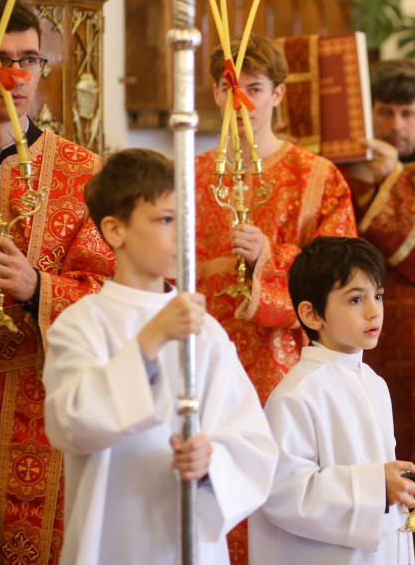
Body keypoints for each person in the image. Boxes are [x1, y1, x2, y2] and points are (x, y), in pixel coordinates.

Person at [0, 0, 114, 562]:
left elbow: (119, 298)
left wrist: (40, 290)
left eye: (28, 59)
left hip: (49, 411)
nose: (14, 76)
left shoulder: (87, 175)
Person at [43, 149, 277, 565]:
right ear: (115, 230)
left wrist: (211, 462)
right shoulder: (82, 324)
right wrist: (151, 339)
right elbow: (71, 423)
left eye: (186, 218)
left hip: (188, 539)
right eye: (166, 219)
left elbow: (251, 440)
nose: (183, 233)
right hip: (112, 538)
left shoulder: (205, 330)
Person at [195, 34, 356, 562]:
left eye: (255, 89)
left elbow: (343, 286)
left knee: (281, 507)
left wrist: (273, 255)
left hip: (287, 372)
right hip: (208, 370)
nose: (240, 101)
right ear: (215, 93)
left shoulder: (318, 177)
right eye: (229, 88)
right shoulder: (190, 177)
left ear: (279, 94)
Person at [249, 236, 415, 564]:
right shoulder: (297, 395)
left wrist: (404, 488)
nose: (374, 311)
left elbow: (377, 474)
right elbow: (283, 494)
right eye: (356, 299)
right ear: (312, 314)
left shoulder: (375, 383)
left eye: (378, 296)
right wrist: (377, 487)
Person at [346, 59, 415, 472]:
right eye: (385, 112)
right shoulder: (341, 174)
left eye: (407, 113)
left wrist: (390, 177)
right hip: (346, 323)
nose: (396, 124)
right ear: (369, 113)